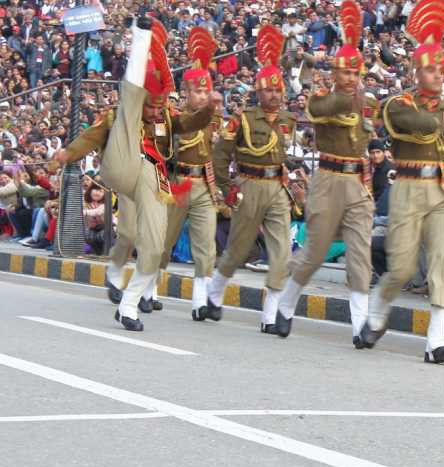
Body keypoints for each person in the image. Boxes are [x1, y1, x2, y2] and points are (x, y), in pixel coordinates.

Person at [59, 17, 214, 330]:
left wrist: (210, 108)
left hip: (154, 180)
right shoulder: (123, 113)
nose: (156, 112)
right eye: (151, 106)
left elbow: (188, 123)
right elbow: (92, 135)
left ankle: (129, 305)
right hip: (125, 170)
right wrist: (67, 155)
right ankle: (115, 270)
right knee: (128, 233)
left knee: (154, 248)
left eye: (160, 106)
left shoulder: (165, 117)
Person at [361, 0, 444, 364]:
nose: (439, 75)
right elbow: (418, 124)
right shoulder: (398, 103)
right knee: (402, 267)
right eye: (431, 70)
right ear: (416, 73)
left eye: (441, 69)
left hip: (442, 188)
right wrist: (440, 113)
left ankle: (437, 341)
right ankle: (377, 310)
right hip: (407, 187)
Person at [270, 0, 380, 347]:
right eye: (346, 73)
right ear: (335, 74)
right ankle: (286, 305)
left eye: (356, 74)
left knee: (360, 254)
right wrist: (351, 94)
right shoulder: (322, 97)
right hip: (329, 180)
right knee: (315, 251)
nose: (352, 79)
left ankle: (360, 326)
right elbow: (327, 108)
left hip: (357, 181)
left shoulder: (367, 101)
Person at [207, 25, 295, 328]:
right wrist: (227, 187)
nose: (274, 95)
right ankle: (215, 292)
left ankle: (271, 316)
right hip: (249, 185)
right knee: (238, 249)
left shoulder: (288, 119)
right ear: (258, 92)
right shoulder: (242, 119)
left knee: (282, 252)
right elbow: (220, 155)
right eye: (269, 90)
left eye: (278, 90)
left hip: (277, 187)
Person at [150, 27, 220, 321]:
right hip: (177, 184)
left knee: (206, 245)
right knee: (164, 242)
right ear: (186, 92)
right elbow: (158, 149)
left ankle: (200, 302)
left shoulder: (215, 119)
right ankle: (149, 289)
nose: (203, 96)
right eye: (198, 91)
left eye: (206, 91)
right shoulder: (171, 118)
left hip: (204, 183)